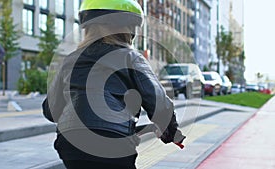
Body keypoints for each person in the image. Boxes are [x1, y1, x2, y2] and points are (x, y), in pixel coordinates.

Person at [42, 0, 185, 168]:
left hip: (71, 142)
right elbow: (158, 102)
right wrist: (170, 132)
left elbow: (50, 110)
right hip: (114, 141)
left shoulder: (71, 60)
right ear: (128, 28)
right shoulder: (130, 58)